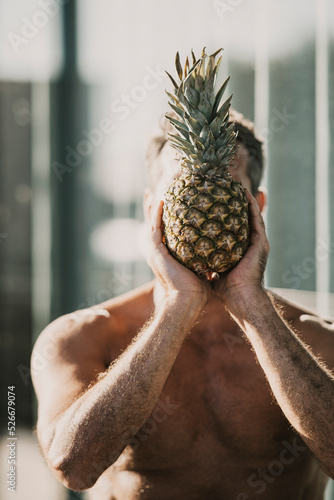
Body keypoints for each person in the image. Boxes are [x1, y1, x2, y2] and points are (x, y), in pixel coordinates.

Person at [31, 110, 334, 500]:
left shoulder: (317, 342)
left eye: (222, 191)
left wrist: (254, 308)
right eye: (185, 191)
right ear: (149, 208)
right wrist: (177, 306)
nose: (200, 207)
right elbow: (73, 466)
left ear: (257, 206)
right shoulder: (82, 336)